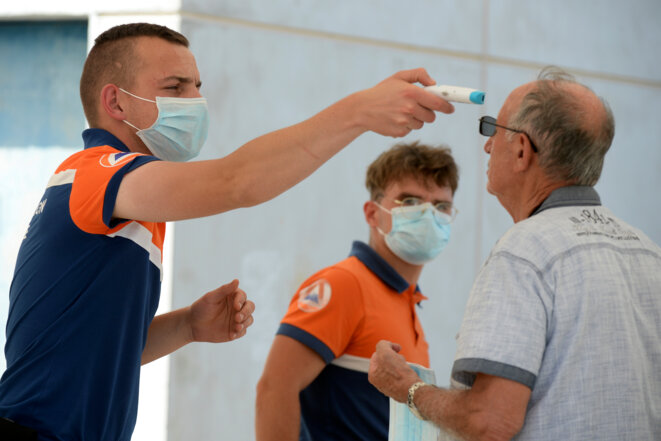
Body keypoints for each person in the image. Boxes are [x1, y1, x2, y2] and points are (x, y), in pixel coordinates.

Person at [0, 22, 454, 441]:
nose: (194, 99)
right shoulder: (97, 173)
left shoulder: (128, 206)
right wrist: (359, 111)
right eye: (174, 87)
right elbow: (237, 182)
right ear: (115, 103)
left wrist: (187, 326)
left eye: (197, 86)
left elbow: (95, 352)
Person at [368, 66, 661, 441]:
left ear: (522, 150)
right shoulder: (649, 253)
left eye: (494, 130)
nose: (488, 145)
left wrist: (407, 389)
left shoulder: (525, 253)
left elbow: (490, 420)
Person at [255, 141, 459, 441]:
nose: (428, 215)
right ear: (372, 213)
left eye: (441, 206)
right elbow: (274, 389)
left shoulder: (407, 300)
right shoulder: (344, 285)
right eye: (410, 201)